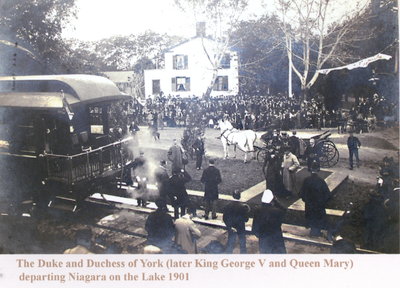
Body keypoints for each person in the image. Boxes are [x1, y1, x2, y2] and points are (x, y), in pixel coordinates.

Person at [299, 162, 331, 236]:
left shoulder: (306, 180)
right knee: (318, 218)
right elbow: (327, 194)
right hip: (319, 205)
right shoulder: (321, 181)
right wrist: (323, 202)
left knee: (311, 218)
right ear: (318, 170)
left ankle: (313, 231)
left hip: (309, 205)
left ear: (310, 170)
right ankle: (317, 232)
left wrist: (306, 200)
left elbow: (301, 193)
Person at [252, 189, 287, 254]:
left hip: (263, 238)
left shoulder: (257, 210)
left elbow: (255, 226)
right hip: (275, 238)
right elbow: (284, 210)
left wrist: (258, 235)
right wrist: (276, 201)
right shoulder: (277, 211)